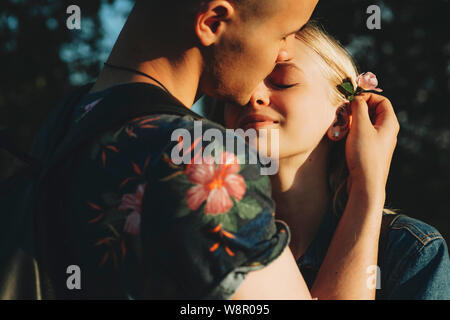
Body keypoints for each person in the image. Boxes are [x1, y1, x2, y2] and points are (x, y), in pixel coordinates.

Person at [15, 0, 398, 299]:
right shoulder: (206, 161)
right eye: (283, 32)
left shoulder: (62, 122)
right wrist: (368, 185)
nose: (283, 49)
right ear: (213, 22)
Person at [219, 22, 450, 299]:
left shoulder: (408, 251)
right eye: (239, 87)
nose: (253, 96)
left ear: (341, 118)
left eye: (282, 82)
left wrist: (369, 183)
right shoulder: (208, 242)